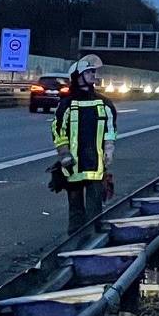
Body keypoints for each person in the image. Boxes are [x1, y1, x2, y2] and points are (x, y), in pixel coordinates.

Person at [52, 55, 118, 233]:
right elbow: (58, 131)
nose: (92, 74)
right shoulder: (67, 104)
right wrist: (64, 153)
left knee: (94, 209)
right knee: (75, 211)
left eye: (93, 71)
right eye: (88, 71)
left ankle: (92, 243)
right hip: (72, 165)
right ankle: (74, 243)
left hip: (96, 165)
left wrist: (109, 150)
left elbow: (110, 129)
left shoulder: (104, 103)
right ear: (77, 76)